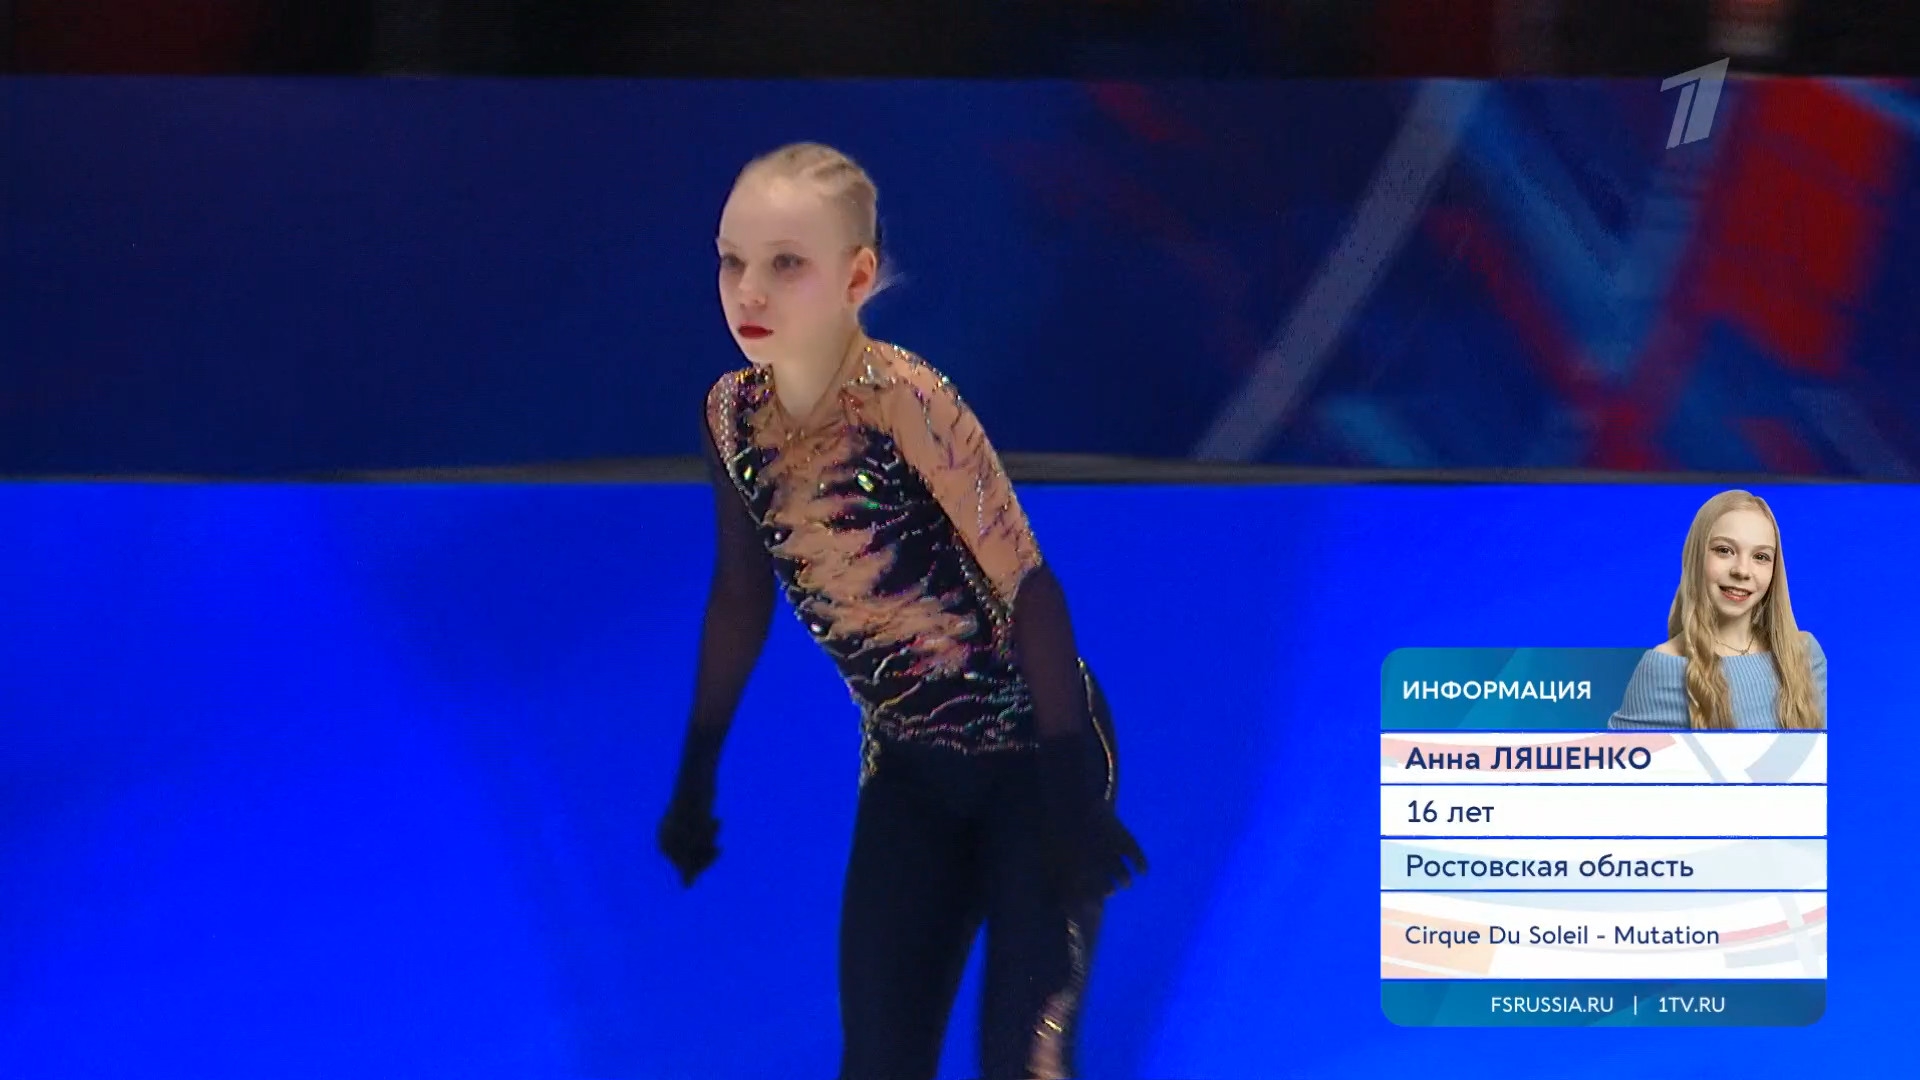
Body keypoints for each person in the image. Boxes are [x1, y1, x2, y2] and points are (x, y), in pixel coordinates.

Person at [656, 142, 1146, 1080]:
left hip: (1034, 756)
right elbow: (740, 596)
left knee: (1025, 1061)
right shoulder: (730, 417)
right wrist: (695, 778)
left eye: (785, 263)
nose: (749, 290)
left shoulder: (905, 402)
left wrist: (1072, 787)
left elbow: (1030, 587)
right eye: (732, 260)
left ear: (857, 277)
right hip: (910, 773)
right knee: (879, 1061)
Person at [1609, 490, 1826, 731]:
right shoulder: (1664, 665)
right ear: (1696, 557)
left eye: (1760, 556)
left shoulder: (1805, 654)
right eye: (1724, 550)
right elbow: (1614, 754)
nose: (1742, 571)